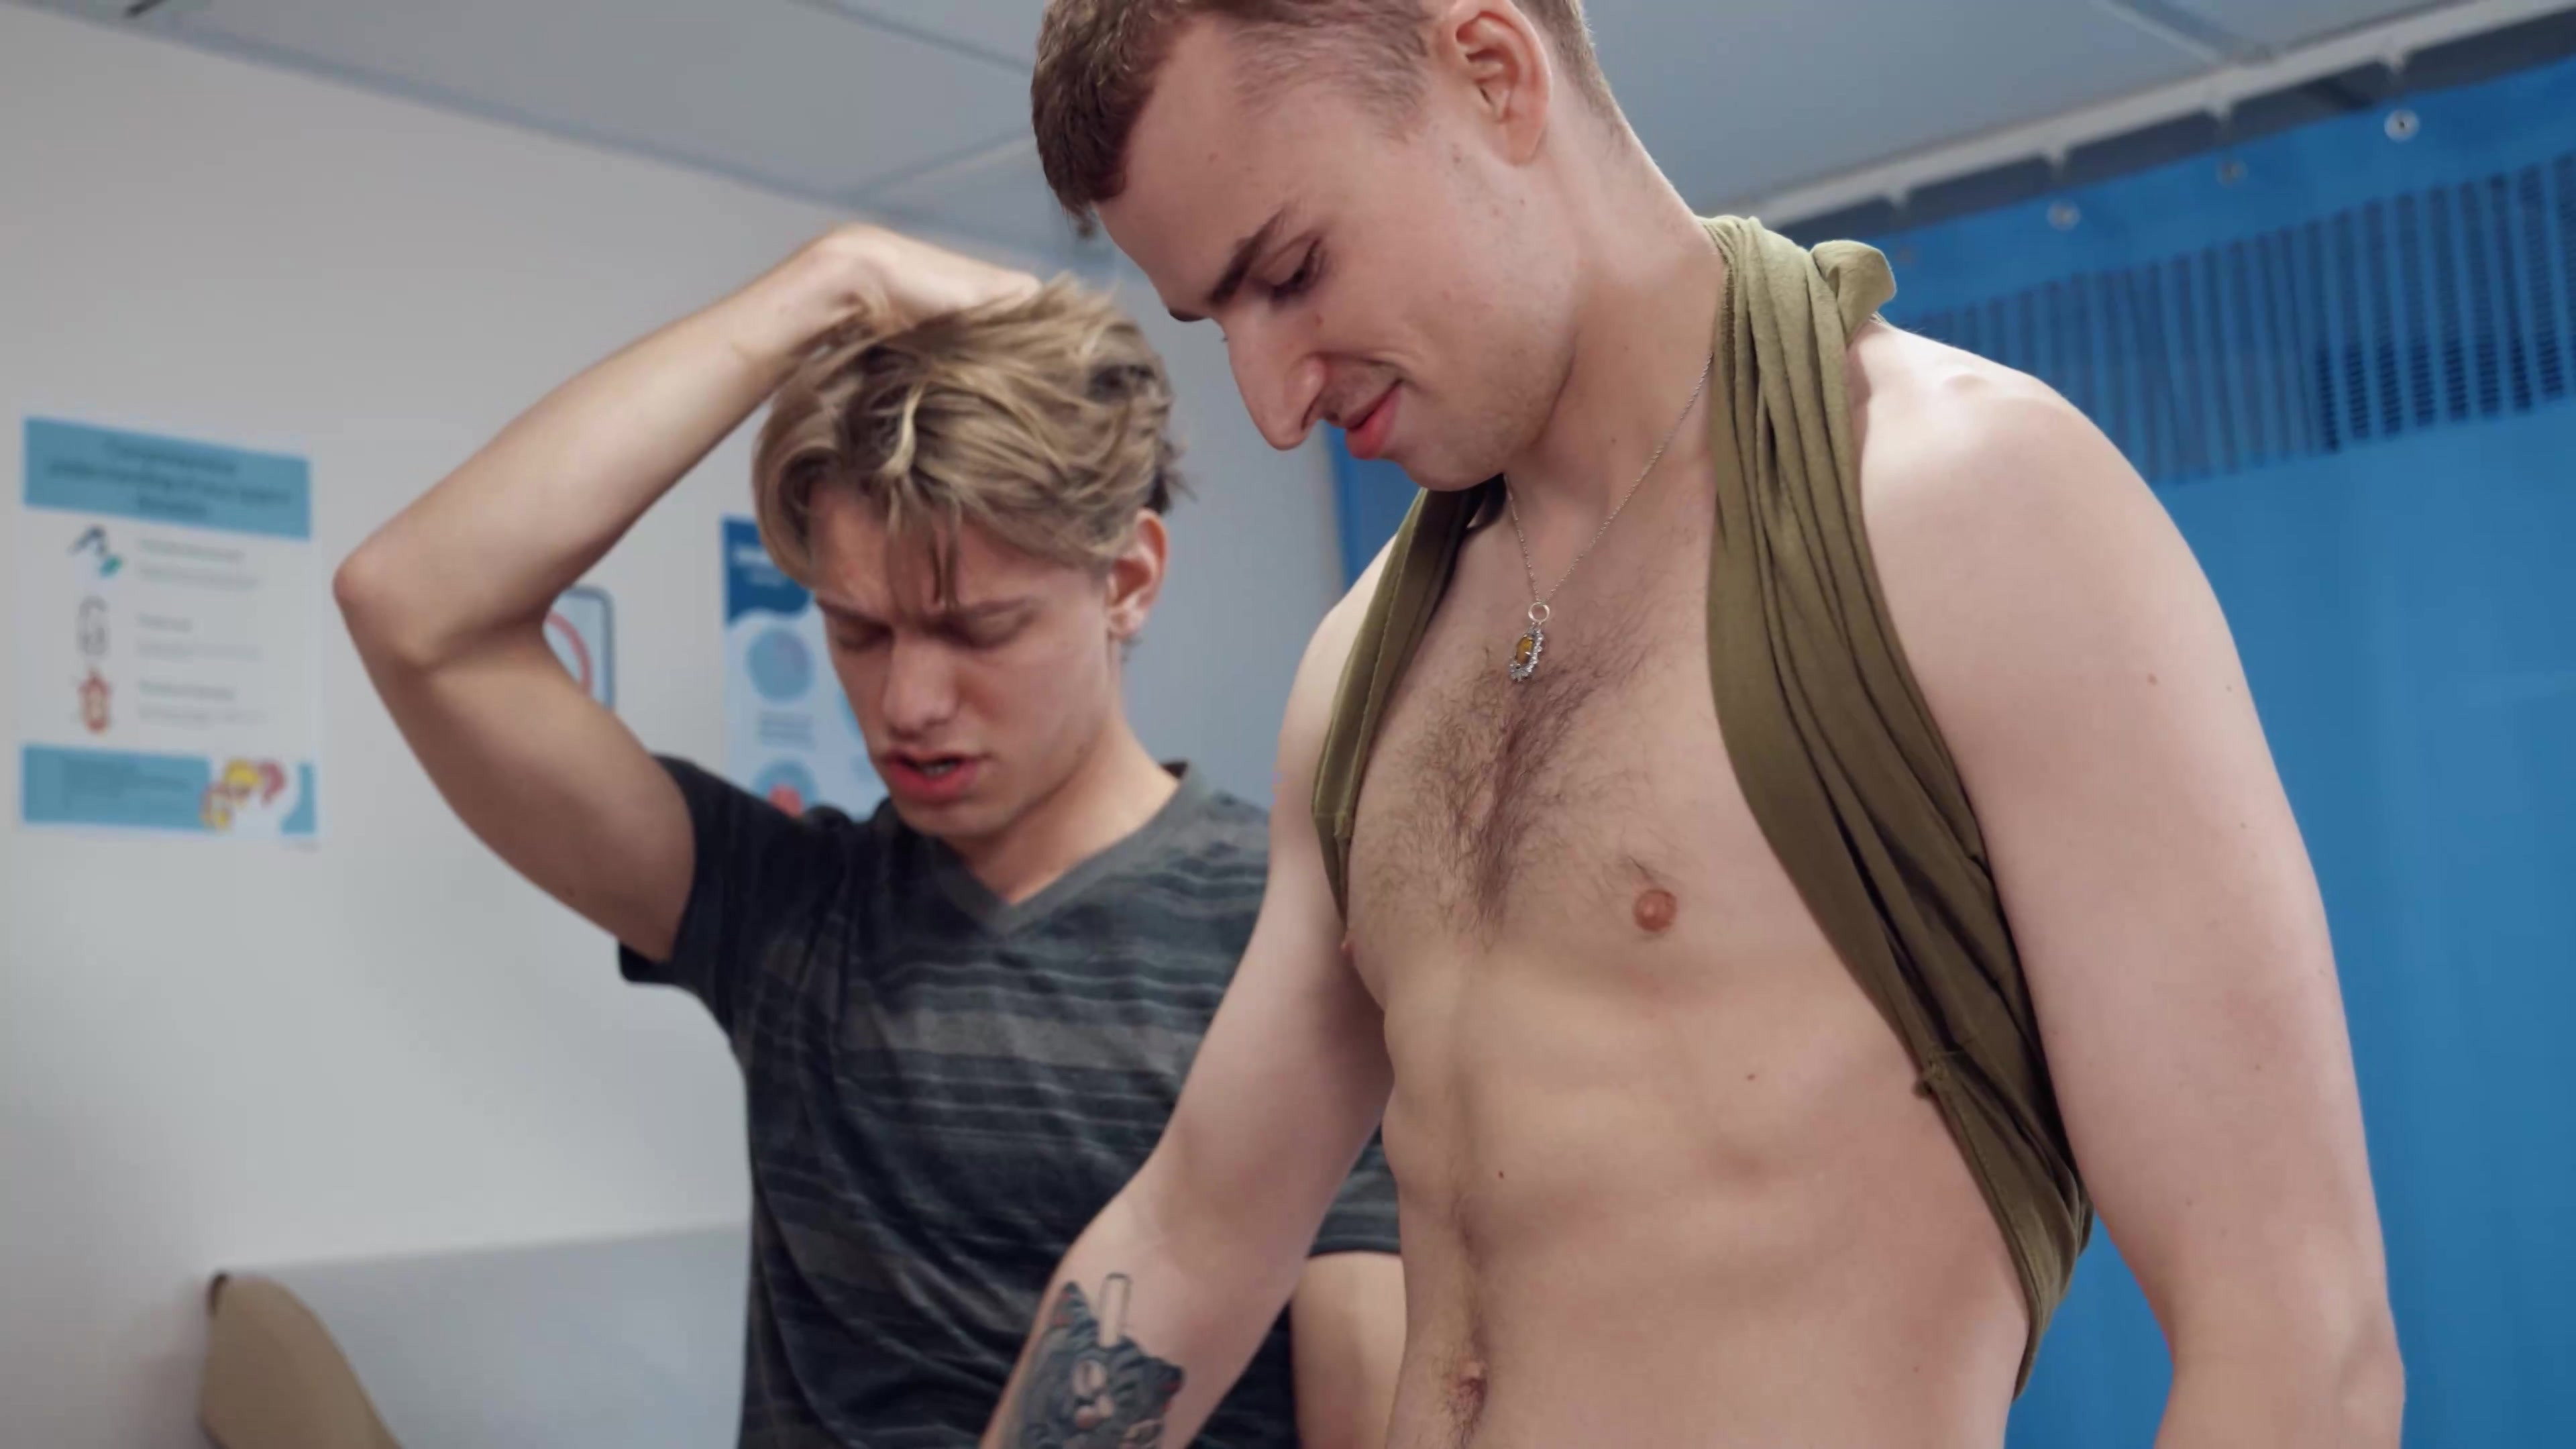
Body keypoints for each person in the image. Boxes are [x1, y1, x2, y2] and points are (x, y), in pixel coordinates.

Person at [976, 3, 2408, 1446]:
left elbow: (2302, 1346)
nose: (1272, 405)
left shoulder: (1969, 512)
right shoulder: (1361, 668)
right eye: (1217, 321)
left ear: (1491, 74)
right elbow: (1192, 1240)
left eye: (1293, 272)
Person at [334, 223, 1405, 1448]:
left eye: (977, 630)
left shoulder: (1296, 930)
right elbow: (412, 607)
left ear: (1127, 582)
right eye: (858, 631)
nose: (909, 703)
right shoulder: (786, 907)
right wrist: (827, 281)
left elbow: (1365, 1404)